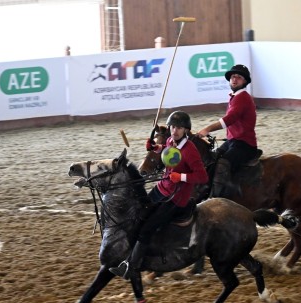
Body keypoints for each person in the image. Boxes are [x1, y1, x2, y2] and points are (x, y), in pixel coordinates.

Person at [109, 110, 208, 281]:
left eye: (179, 127)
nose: (174, 130)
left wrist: (181, 177)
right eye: (172, 126)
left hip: (176, 198)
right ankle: (132, 256)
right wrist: (155, 148)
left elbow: (202, 176)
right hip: (161, 188)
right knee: (138, 214)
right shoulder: (171, 140)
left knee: (147, 228)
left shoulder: (190, 150)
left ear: (186, 130)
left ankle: (132, 268)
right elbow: (167, 151)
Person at [197, 64, 258, 197]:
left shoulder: (242, 97)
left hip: (244, 145)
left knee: (223, 164)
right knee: (211, 160)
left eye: (239, 77)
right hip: (233, 142)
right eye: (232, 77)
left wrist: (207, 129)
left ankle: (216, 197)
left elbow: (229, 119)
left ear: (245, 81)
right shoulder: (235, 97)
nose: (234, 79)